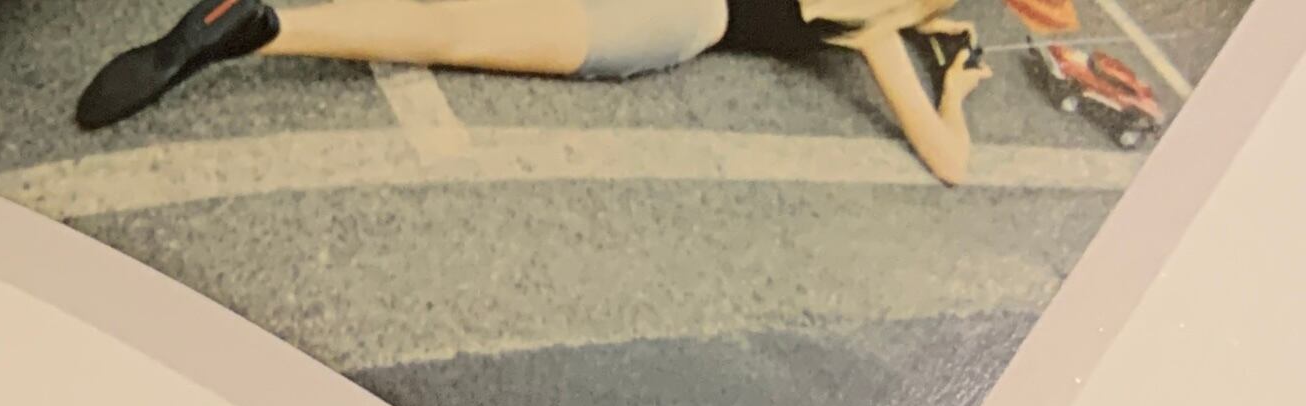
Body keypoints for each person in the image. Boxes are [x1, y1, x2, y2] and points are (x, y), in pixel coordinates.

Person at [77, 0, 996, 185]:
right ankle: (267, 29)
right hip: (674, 21)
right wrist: (951, 91)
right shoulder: (872, 32)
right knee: (461, 33)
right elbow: (950, 163)